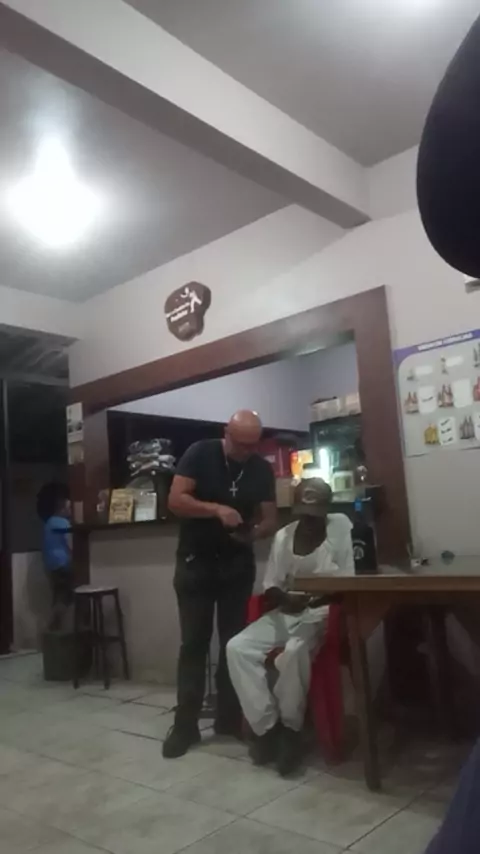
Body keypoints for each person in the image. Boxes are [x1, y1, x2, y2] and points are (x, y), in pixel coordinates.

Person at [163, 410, 277, 758]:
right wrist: (217, 510)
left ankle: (229, 719)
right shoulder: (200, 452)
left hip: (236, 566)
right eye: (241, 444)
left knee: (234, 644)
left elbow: (270, 519)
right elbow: (176, 501)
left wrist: (253, 534)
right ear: (226, 432)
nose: (246, 452)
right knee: (194, 644)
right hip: (195, 563)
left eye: (253, 445)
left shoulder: (260, 468)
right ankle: (185, 726)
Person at [226, 478, 354, 776]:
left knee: (295, 651)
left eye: (315, 515)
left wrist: (315, 597)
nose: (309, 521)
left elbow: (348, 583)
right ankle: (267, 729)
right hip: (286, 610)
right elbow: (271, 584)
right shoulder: (284, 536)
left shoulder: (340, 529)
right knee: (237, 648)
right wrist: (284, 599)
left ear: (325, 511)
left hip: (321, 613)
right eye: (304, 514)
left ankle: (290, 730)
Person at [37, 483, 73, 631]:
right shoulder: (64, 523)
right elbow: (70, 543)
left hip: (50, 565)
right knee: (65, 596)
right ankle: (54, 625)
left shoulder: (49, 523)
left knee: (58, 594)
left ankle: (55, 627)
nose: (70, 511)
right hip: (63, 564)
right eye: (69, 508)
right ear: (62, 509)